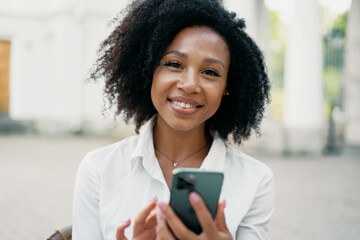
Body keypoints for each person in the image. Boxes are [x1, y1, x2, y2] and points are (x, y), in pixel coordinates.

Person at [72, 0, 274, 239]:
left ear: (227, 87)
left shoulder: (255, 180)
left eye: (210, 72)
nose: (189, 84)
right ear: (149, 70)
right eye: (174, 64)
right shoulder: (98, 169)